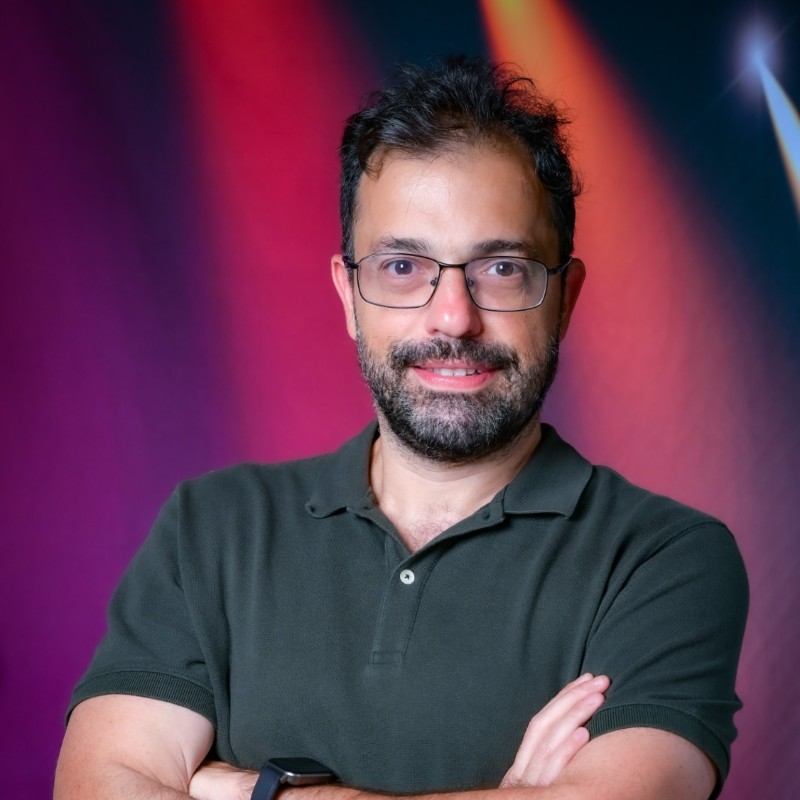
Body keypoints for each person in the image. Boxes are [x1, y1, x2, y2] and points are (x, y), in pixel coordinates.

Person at [54, 57, 748, 800]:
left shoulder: (665, 558)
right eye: (403, 267)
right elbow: (96, 787)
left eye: (502, 269)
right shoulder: (212, 527)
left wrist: (251, 791)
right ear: (349, 295)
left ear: (565, 298)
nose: (453, 318)